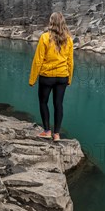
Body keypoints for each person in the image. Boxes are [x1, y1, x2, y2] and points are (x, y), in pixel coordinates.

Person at [28, 12, 74, 142]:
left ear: (51, 22)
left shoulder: (44, 37)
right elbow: (70, 61)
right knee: (58, 104)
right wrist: (69, 78)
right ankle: (57, 134)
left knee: (43, 102)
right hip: (62, 77)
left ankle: (47, 131)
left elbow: (38, 60)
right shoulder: (69, 39)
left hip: (47, 77)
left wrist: (32, 79)